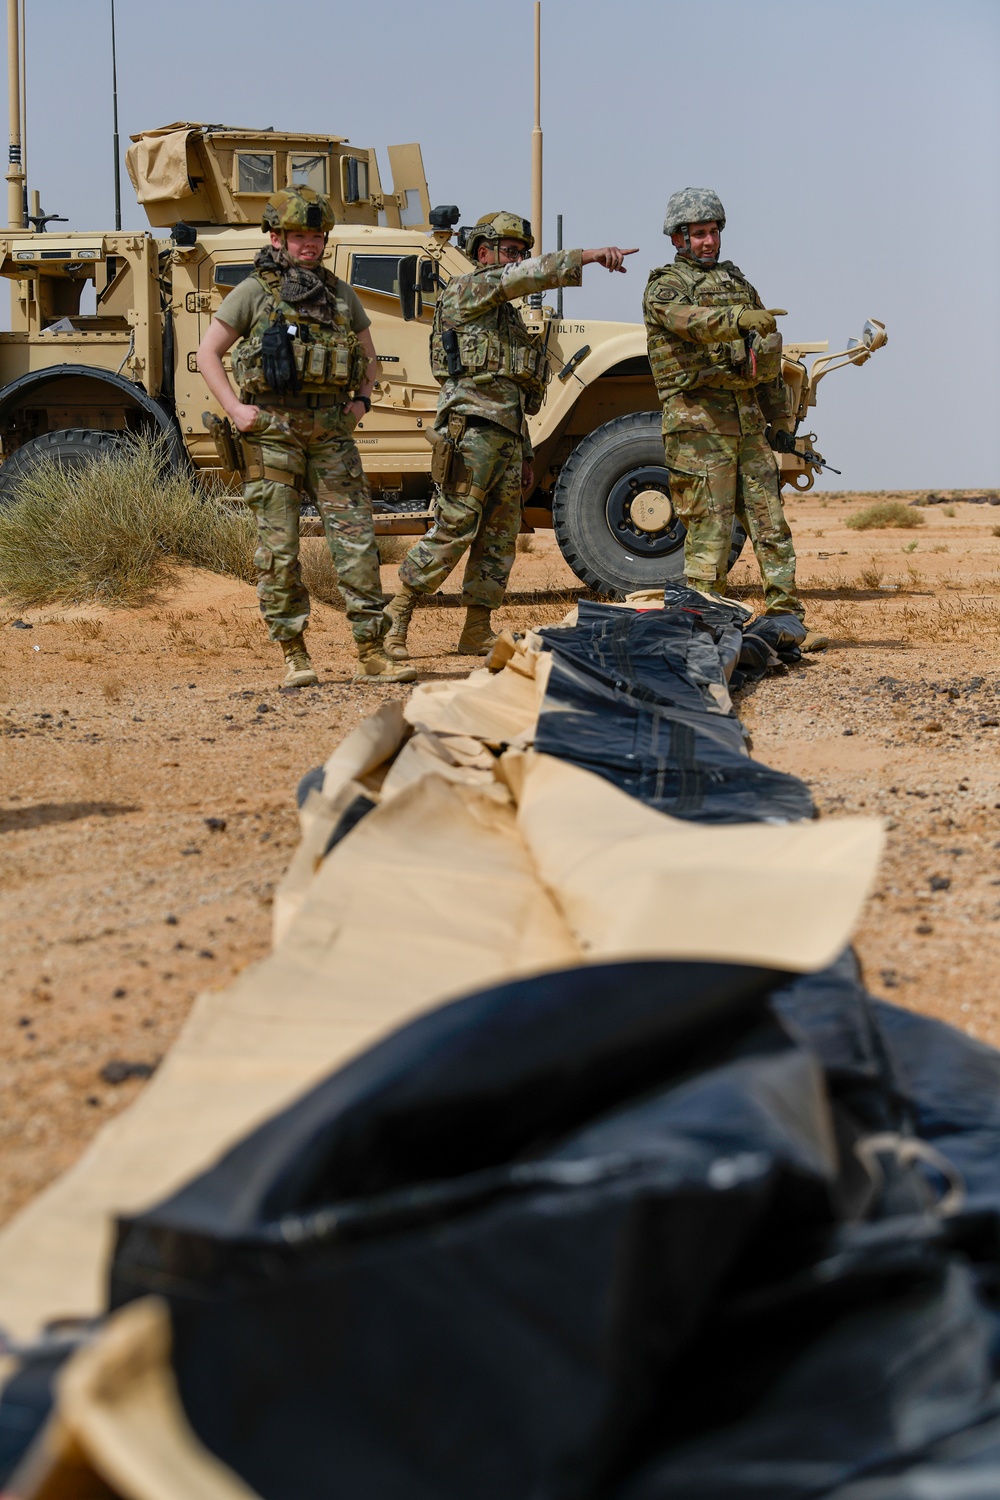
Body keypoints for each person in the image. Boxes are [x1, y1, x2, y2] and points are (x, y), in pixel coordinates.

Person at [384, 213, 637, 660]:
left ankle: (476, 628)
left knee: (498, 539)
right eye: (509, 251)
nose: (517, 259)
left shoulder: (507, 319)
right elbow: (524, 277)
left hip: (505, 435)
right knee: (455, 528)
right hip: (470, 431)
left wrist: (522, 450)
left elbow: (514, 391)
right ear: (483, 253)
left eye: (521, 252)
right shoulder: (469, 290)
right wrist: (591, 256)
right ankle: (396, 618)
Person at [197, 186, 415, 688]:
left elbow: (370, 361)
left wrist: (359, 405)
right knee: (279, 549)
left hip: (331, 434)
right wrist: (235, 410)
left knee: (357, 542)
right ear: (277, 237)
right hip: (274, 432)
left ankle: (371, 651)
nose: (309, 245)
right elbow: (209, 352)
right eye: (299, 236)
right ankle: (294, 654)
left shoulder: (340, 294)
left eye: (316, 236)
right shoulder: (254, 291)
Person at [643, 188, 827, 650]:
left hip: (747, 426)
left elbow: (765, 358)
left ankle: (787, 617)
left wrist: (780, 422)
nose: (708, 241)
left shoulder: (737, 283)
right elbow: (692, 321)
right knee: (709, 528)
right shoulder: (666, 286)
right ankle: (702, 628)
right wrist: (741, 318)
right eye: (698, 234)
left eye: (713, 232)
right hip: (698, 427)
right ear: (678, 239)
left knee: (770, 524)